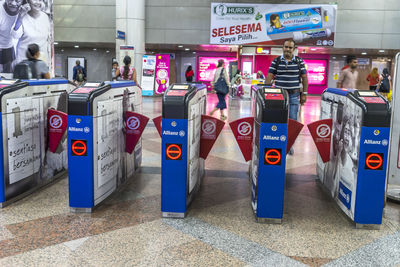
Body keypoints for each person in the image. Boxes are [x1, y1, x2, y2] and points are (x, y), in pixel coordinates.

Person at [266, 39, 308, 155]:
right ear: (283, 47)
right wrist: (265, 91)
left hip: (294, 95)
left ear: (294, 49)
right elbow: (270, 76)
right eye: (286, 47)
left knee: (292, 121)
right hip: (279, 96)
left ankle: (289, 145)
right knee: (278, 119)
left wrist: (304, 94)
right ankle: (278, 142)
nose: (288, 49)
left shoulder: (299, 61)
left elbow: (304, 78)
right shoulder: (277, 61)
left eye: (290, 48)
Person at [14, 0, 51, 67]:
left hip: (41, 63)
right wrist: (20, 17)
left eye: (40, 0)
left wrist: (48, 63)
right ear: (28, 2)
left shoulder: (45, 17)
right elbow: (15, 35)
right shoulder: (22, 16)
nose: (38, 2)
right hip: (24, 63)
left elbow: (47, 41)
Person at [0, 0, 24, 73]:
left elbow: (16, 35)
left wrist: (20, 18)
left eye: (17, 0)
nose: (13, 3)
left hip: (9, 46)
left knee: (9, 76)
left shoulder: (25, 11)